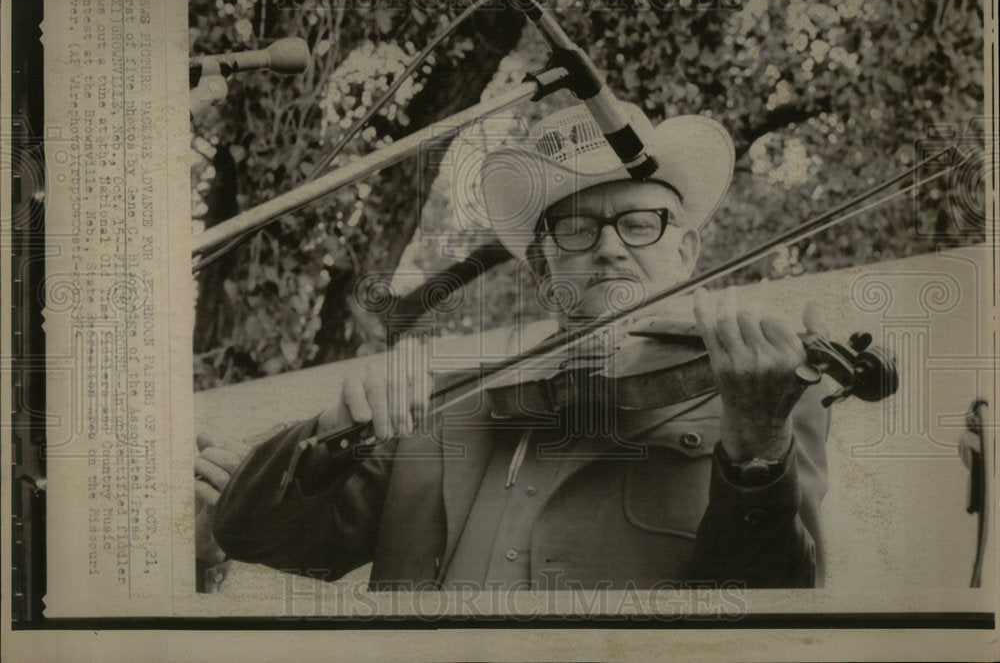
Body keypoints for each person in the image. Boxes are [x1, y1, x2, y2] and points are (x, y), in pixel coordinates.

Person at [198, 102, 831, 591]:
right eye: (577, 229)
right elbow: (251, 534)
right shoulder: (447, 400)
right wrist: (332, 429)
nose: (610, 248)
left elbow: (775, 603)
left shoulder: (759, 396)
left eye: (639, 223)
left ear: (686, 251)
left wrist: (755, 445)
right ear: (543, 270)